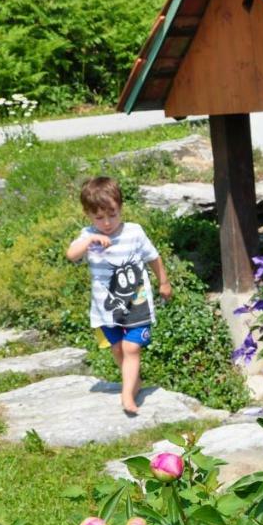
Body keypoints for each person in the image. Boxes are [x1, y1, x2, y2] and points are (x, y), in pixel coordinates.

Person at [66, 177, 171, 414]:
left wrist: (164, 282)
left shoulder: (134, 232)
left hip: (137, 304)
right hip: (106, 308)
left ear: (120, 208)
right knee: (117, 349)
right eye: (99, 218)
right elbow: (71, 255)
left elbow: (153, 257)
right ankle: (133, 383)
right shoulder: (87, 235)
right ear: (88, 215)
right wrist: (89, 240)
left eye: (112, 215)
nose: (106, 223)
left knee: (132, 348)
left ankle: (127, 396)